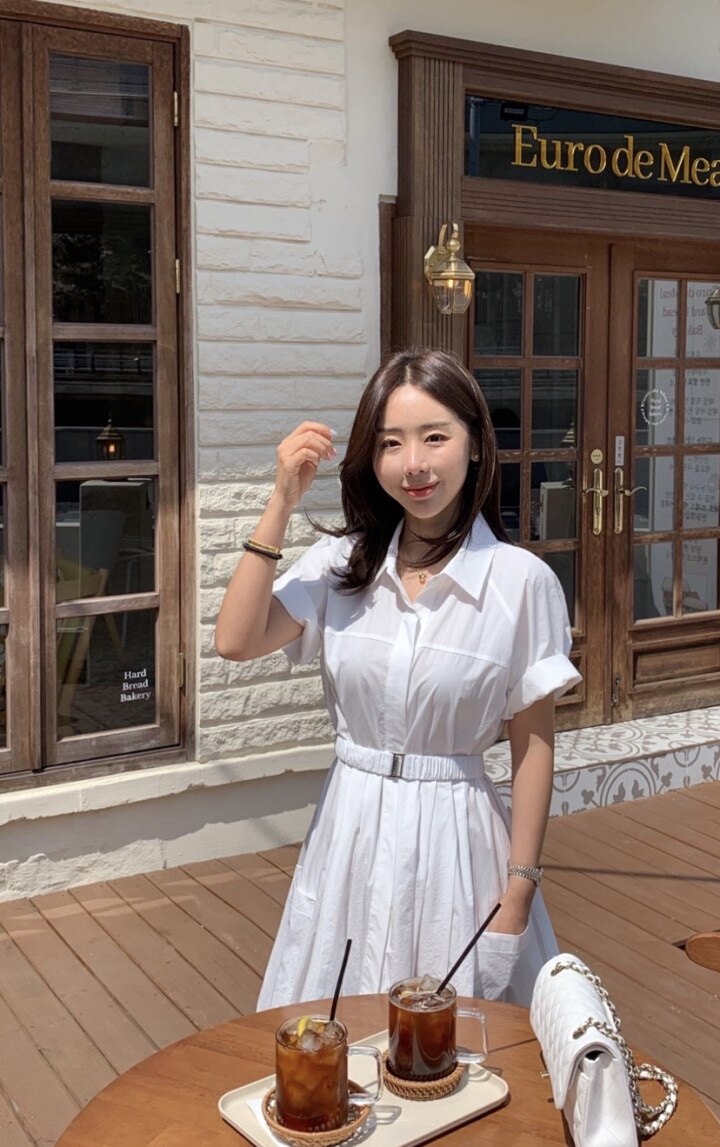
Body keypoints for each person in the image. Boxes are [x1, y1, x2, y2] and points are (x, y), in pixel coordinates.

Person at [215, 349, 580, 1008]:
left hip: (457, 840)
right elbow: (236, 640)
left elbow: (533, 744)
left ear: (475, 444)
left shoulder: (520, 583)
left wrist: (519, 889)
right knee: (334, 1026)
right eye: (391, 443)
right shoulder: (342, 564)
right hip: (350, 831)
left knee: (453, 1040)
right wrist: (280, 501)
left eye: (435, 437)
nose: (414, 463)